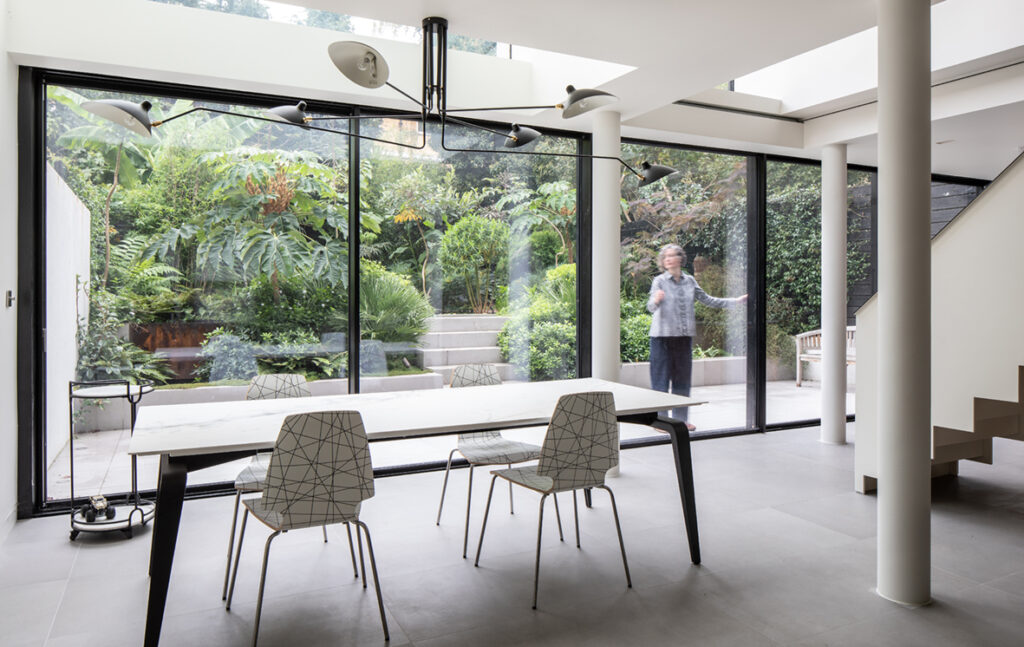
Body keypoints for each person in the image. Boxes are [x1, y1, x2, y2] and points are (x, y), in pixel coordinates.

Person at [647, 243, 747, 429]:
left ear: (680, 258)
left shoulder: (690, 281)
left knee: (682, 382)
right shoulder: (659, 281)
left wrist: (736, 301)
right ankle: (661, 422)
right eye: (665, 256)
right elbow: (650, 307)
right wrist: (656, 299)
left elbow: (708, 300)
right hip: (662, 338)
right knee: (660, 381)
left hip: (683, 338)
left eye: (672, 255)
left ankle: (680, 421)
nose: (668, 259)